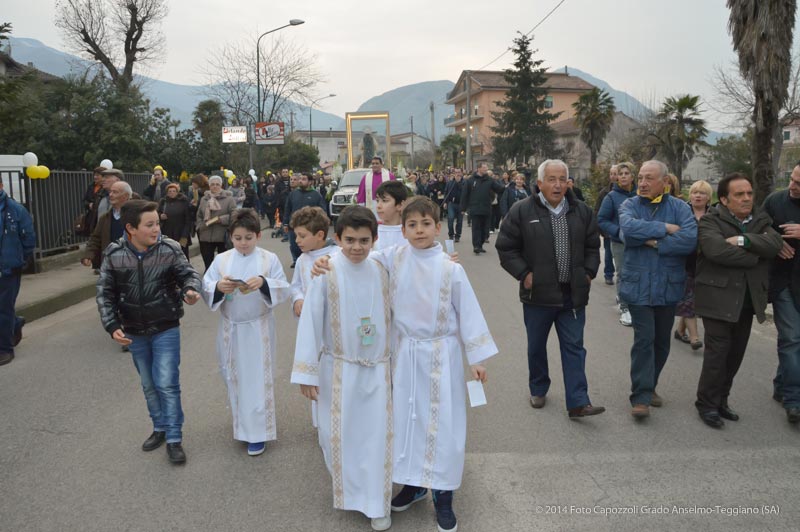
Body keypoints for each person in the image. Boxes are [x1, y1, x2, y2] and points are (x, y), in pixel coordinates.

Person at [371, 197, 497, 532]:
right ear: (403, 230)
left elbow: (467, 311)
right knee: (407, 418)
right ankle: (413, 484)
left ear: (437, 228)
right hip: (406, 353)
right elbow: (356, 259)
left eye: (426, 224)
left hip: (442, 354)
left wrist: (477, 358)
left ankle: (443, 494)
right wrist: (323, 262)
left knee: (442, 424)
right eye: (411, 225)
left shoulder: (450, 268)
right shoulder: (393, 258)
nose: (419, 230)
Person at [291, 206, 393, 531]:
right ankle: (352, 492)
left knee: (376, 436)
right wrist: (307, 372)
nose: (357, 247)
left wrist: (446, 258)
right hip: (339, 367)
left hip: (377, 367)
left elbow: (418, 256)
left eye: (364, 240)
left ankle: (377, 503)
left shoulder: (382, 267)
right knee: (339, 435)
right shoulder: (325, 271)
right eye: (349, 240)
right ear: (337, 239)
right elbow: (310, 320)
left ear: (375, 240)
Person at [496, 159, 605, 419]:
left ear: (569, 183)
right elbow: (506, 247)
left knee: (575, 347)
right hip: (538, 296)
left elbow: (592, 247)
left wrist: (589, 273)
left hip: (572, 295)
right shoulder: (522, 210)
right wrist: (524, 274)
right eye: (552, 180)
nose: (557, 185)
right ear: (540, 183)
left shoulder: (582, 211)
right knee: (536, 346)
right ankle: (539, 388)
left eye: (562, 180)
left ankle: (578, 401)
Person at [96, 199, 201, 464]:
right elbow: (104, 293)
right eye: (150, 225)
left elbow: (189, 274)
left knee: (166, 383)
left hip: (165, 326)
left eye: (158, 223)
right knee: (148, 384)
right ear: (131, 228)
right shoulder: (113, 253)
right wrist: (112, 325)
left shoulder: (169, 248)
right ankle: (160, 428)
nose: (156, 229)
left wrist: (190, 290)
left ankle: (175, 439)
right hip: (133, 330)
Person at [693, 174, 782, 428]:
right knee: (717, 354)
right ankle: (706, 404)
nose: (746, 199)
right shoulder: (711, 220)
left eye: (749, 194)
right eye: (739, 194)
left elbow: (774, 243)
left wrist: (744, 240)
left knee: (735, 355)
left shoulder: (760, 219)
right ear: (724, 199)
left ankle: (722, 400)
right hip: (717, 298)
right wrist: (755, 257)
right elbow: (716, 250)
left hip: (747, 301)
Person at [202, 209, 290, 456]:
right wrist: (219, 287)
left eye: (248, 238)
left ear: (258, 236)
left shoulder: (268, 259)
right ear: (231, 237)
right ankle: (243, 427)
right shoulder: (222, 260)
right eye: (238, 238)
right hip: (231, 328)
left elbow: (283, 286)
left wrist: (264, 283)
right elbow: (207, 286)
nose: (243, 243)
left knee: (257, 379)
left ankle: (258, 433)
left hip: (258, 327)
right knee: (234, 376)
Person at [618, 160, 697, 419]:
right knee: (644, 339)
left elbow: (689, 240)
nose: (642, 183)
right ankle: (640, 396)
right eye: (640, 177)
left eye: (649, 178)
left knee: (662, 342)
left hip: (668, 286)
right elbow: (628, 231)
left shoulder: (680, 208)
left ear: (665, 182)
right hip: (638, 285)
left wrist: (653, 243)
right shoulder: (630, 205)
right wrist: (664, 229)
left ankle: (650, 385)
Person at [762, 162, 800, 423]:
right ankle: (794, 399)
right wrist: (775, 243)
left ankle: (780, 385)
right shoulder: (775, 200)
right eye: (793, 179)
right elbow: (756, 227)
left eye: (799, 184)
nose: (793, 186)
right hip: (783, 282)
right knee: (792, 338)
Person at [597, 161, 638, 327]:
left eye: (626, 173)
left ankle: (633, 301)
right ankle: (625, 307)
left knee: (637, 273)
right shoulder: (611, 197)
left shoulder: (640, 195)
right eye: (620, 174)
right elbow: (602, 219)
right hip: (619, 243)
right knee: (623, 273)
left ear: (633, 176)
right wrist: (617, 231)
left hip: (640, 241)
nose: (623, 176)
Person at [0, 179, 35, 366]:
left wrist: (19, 260)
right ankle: (15, 324)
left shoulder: (15, 210)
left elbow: (28, 238)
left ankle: (5, 349)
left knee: (3, 308)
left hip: (8, 268)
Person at [674, 180, 712, 350]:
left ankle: (680, 330)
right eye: (695, 192)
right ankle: (695, 337)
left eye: (702, 193)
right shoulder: (683, 211)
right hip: (684, 262)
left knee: (694, 298)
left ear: (708, 197)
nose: (698, 196)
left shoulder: (714, 214)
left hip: (706, 264)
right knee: (689, 298)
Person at [289, 206, 337, 319]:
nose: (297, 240)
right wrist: (298, 299)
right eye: (296, 236)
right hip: (310, 316)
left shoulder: (338, 255)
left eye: (302, 236)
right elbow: (296, 285)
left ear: (320, 235)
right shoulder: (302, 259)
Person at [82, 181, 132, 271]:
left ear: (126, 196)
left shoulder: (137, 216)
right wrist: (88, 255)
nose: (111, 195)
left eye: (115, 192)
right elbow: (95, 238)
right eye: (110, 192)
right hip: (110, 264)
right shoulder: (105, 218)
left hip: (131, 264)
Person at [461, 162, 506, 254]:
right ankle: (476, 246)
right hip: (475, 208)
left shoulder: (490, 180)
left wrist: (507, 187)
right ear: (479, 169)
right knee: (476, 228)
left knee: (485, 230)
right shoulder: (470, 180)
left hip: (486, 208)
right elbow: (465, 195)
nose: (486, 169)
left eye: (486, 167)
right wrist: (463, 208)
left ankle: (480, 244)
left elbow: (499, 189)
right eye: (484, 167)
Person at [283, 173, 327, 266]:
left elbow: (322, 211)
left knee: (308, 247)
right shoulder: (293, 194)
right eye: (300, 179)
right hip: (293, 226)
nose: (300, 181)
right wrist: (285, 223)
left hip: (309, 228)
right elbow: (287, 209)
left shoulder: (316, 195)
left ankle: (308, 264)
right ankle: (297, 261)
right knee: (294, 246)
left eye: (304, 179)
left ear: (310, 182)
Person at [196, 175, 236, 270]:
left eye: (217, 184)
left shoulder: (229, 199)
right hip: (206, 234)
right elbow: (199, 215)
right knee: (207, 261)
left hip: (222, 235)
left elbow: (234, 215)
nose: (215, 186)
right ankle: (209, 278)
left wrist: (221, 219)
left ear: (221, 186)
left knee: (223, 263)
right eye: (212, 184)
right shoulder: (204, 199)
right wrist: (199, 226)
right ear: (209, 186)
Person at [594, 165, 618, 285]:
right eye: (611, 173)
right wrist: (601, 230)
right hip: (609, 230)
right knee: (609, 254)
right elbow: (597, 211)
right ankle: (608, 274)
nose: (613, 176)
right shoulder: (604, 193)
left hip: (623, 229)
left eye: (615, 173)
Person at [158, 183, 193, 259]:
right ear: (167, 192)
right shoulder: (163, 202)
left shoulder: (184, 202)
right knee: (168, 256)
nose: (172, 193)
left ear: (177, 192)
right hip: (167, 233)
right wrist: (160, 216)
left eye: (174, 191)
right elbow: (157, 213)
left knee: (183, 255)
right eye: (170, 191)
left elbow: (188, 219)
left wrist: (185, 235)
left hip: (181, 233)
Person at [374, 181, 408, 251]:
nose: (378, 206)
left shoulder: (410, 232)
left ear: (400, 205)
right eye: (377, 201)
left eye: (384, 201)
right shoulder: (373, 231)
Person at [81, 166, 107, 236]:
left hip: (102, 217)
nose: (95, 177)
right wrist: (88, 204)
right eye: (94, 175)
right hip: (91, 217)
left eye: (97, 175)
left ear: (103, 176)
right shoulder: (91, 186)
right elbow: (84, 200)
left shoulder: (106, 188)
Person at [442, 168, 464, 242]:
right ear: (454, 174)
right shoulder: (450, 182)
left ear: (461, 173)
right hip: (451, 203)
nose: (457, 174)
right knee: (450, 219)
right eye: (456, 172)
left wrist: (458, 182)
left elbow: (465, 192)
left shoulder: (464, 182)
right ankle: (451, 234)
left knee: (459, 221)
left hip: (460, 204)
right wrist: (445, 202)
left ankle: (458, 235)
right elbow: (446, 192)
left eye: (459, 172)